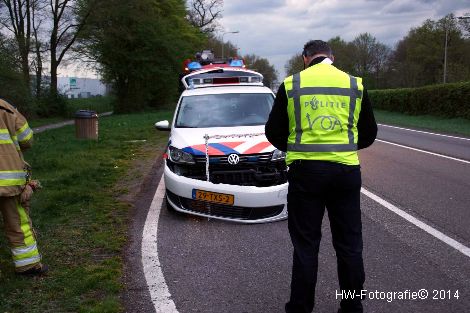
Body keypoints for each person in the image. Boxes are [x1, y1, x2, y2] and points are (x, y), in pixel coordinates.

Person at [265, 40, 377, 313]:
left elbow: (273, 131)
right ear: (332, 57)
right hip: (345, 171)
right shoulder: (354, 84)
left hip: (306, 173)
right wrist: (343, 147)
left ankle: (301, 307)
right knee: (349, 244)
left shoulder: (292, 84)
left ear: (305, 58)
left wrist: (299, 147)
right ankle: (352, 308)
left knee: (306, 244)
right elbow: (369, 132)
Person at [0, 99, 47, 276]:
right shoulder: (6, 108)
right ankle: (28, 265)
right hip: (9, 180)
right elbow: (26, 138)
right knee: (18, 223)